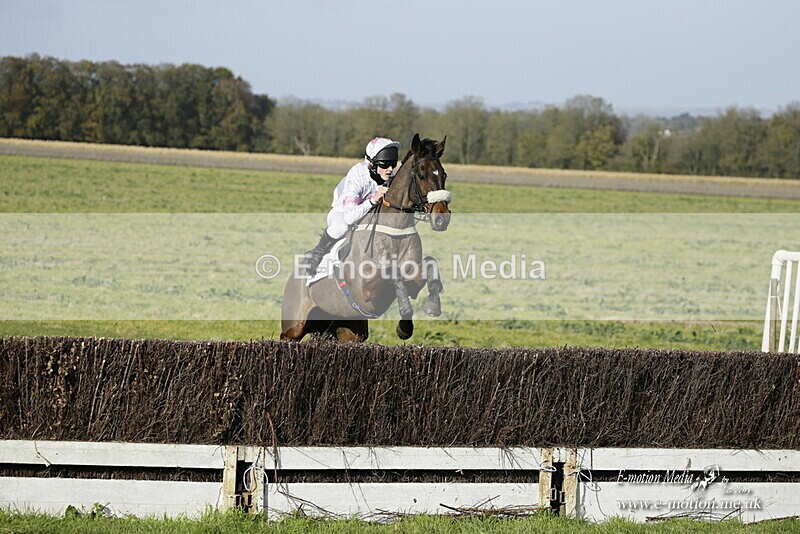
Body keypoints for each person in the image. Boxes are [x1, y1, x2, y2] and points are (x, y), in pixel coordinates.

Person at [302, 137, 401, 275]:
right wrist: (373, 200)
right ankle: (316, 254)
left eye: (393, 164)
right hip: (342, 212)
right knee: (341, 227)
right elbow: (349, 218)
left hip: (369, 215)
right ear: (372, 164)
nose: (390, 170)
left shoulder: (392, 176)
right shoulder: (357, 175)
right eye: (385, 165)